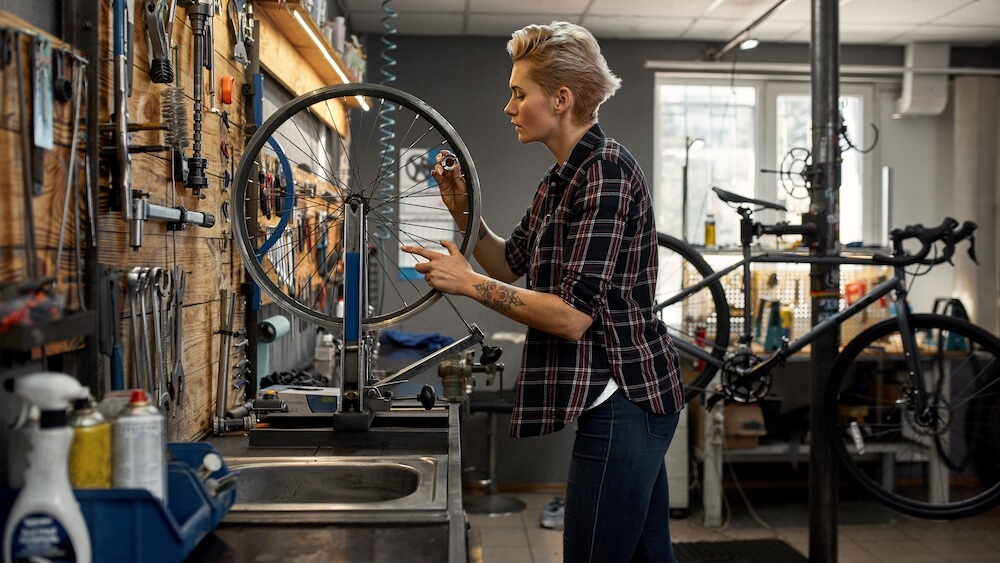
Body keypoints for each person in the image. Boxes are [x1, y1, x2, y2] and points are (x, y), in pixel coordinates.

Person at [401, 21, 684, 563]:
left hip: (629, 397)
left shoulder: (606, 173)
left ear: (560, 99)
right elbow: (507, 264)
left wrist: (468, 283)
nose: (508, 107)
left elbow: (574, 317)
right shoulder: (560, 180)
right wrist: (464, 212)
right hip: (622, 398)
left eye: (518, 93)